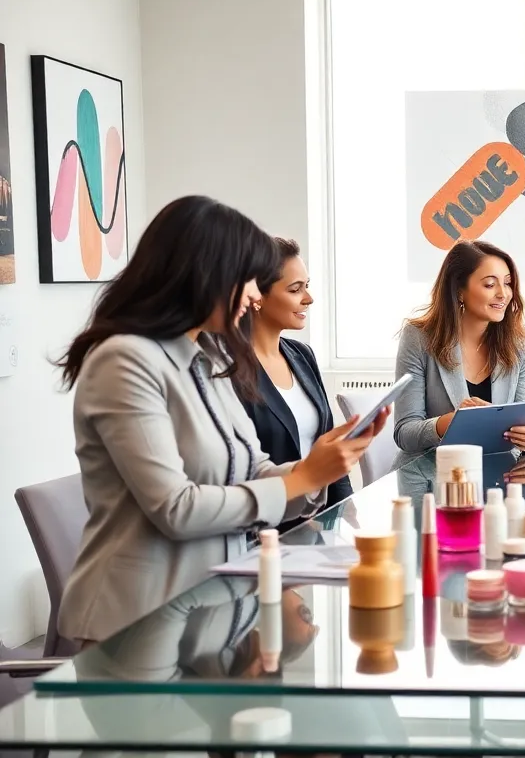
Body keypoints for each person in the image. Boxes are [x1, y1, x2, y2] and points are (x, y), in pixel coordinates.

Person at [56, 195, 387, 644]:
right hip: (137, 620)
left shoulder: (211, 355)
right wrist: (299, 479)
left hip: (214, 609)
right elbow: (175, 509)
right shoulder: (125, 362)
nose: (254, 295)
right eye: (248, 279)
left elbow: (252, 470)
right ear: (208, 275)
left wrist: (320, 469)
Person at [239, 237, 353, 515]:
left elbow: (327, 447)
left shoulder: (302, 355)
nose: (309, 298)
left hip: (318, 519)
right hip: (268, 525)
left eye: (307, 285)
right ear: (257, 297)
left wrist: (347, 511)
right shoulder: (231, 368)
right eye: (295, 289)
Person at [393, 240, 525, 456]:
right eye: (490, 285)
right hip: (433, 477)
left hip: (499, 475)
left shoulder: (517, 345)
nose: (504, 294)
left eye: (507, 283)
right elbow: (404, 433)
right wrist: (450, 422)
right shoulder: (419, 338)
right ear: (459, 291)